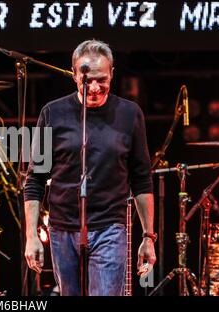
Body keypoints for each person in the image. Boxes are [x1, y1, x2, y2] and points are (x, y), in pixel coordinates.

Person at [24, 40, 156, 296]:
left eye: (102, 79)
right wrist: (31, 235)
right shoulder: (52, 113)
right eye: (88, 80)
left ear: (112, 74)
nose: (95, 88)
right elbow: (35, 179)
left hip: (110, 227)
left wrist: (148, 237)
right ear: (74, 75)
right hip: (62, 227)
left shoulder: (130, 114)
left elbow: (142, 179)